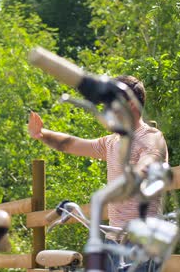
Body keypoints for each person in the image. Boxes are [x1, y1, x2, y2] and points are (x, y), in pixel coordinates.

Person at [28, 75, 168, 272]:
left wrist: (136, 174)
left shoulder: (151, 137)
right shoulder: (112, 142)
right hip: (113, 238)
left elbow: (150, 159)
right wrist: (42, 134)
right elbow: (71, 144)